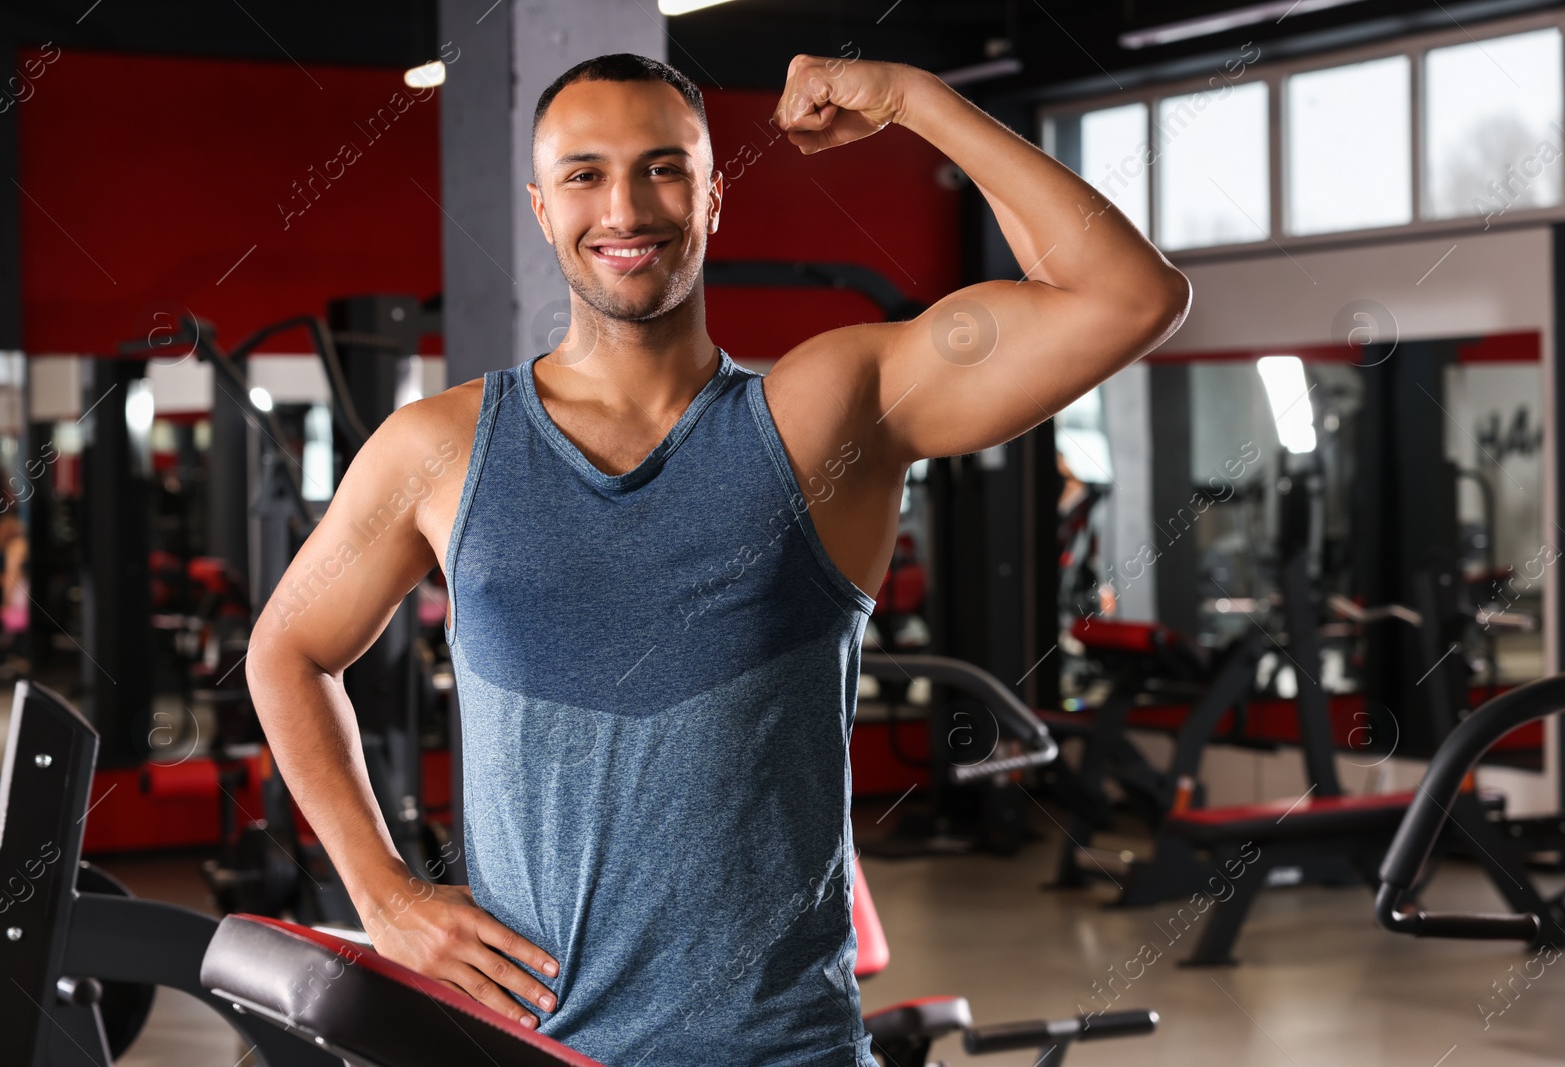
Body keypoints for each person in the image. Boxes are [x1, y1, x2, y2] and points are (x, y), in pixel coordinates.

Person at [246, 52, 1189, 1065]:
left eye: (663, 168)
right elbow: (287, 649)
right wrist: (383, 893)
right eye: (584, 173)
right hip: (527, 1051)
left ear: (712, 195)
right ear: (537, 203)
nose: (624, 207)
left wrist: (918, 101)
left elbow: (1126, 298)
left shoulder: (829, 411)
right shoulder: (438, 447)